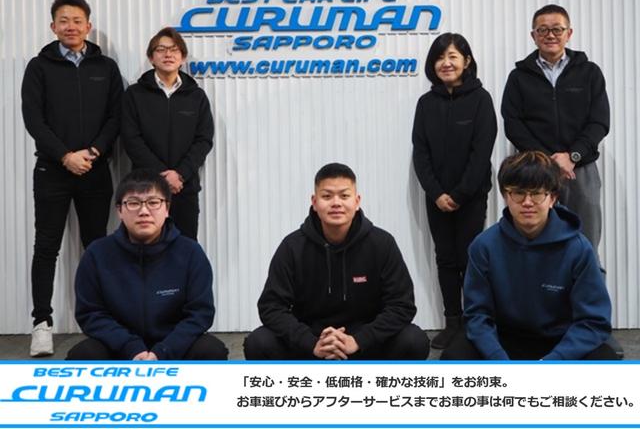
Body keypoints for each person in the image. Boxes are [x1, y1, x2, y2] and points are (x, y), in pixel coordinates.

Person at [21, 0, 123, 356]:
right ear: (53, 26)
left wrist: (92, 153)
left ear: (88, 26)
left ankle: (98, 321)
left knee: (96, 246)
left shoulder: (106, 67)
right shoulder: (39, 67)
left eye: (77, 21)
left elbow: (116, 117)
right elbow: (34, 119)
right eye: (63, 20)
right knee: (46, 246)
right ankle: (41, 324)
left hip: (95, 170)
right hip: (52, 170)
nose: (71, 26)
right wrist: (65, 156)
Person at [441, 151, 616, 360]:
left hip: (560, 342)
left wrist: (554, 361)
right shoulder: (484, 246)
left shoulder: (578, 248)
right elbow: (477, 316)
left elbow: (593, 321)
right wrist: (499, 360)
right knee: (454, 356)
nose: (527, 202)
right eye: (518, 193)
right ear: (506, 196)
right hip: (502, 341)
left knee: (605, 360)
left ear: (552, 198)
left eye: (537, 193)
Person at [244, 163, 429, 360]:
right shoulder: (292, 247)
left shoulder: (382, 244)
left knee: (414, 340)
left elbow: (402, 305)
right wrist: (311, 343)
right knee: (258, 342)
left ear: (357, 201)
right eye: (327, 196)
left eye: (344, 196)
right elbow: (271, 307)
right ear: (314, 202)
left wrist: (358, 341)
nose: (336, 203)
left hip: (365, 345)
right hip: (312, 346)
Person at [67, 169, 228, 360]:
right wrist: (130, 347)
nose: (144, 211)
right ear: (120, 210)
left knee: (211, 349)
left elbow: (200, 313)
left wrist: (164, 351)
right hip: (119, 348)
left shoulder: (190, 253)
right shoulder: (97, 254)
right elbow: (91, 314)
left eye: (153, 202)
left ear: (167, 208)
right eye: (134, 203)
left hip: (174, 348)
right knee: (83, 354)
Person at [411, 33, 497, 349]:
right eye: (439, 57)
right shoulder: (426, 104)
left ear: (467, 61)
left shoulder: (481, 99)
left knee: (470, 257)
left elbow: (482, 151)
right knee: (445, 259)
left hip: (470, 197)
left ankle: (474, 323)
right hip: (437, 198)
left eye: (452, 56)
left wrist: (460, 194)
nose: (445, 63)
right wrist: (436, 193)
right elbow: (420, 152)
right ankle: (452, 322)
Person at [501, 4, 610, 254]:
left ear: (569, 33)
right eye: (543, 30)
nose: (550, 35)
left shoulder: (589, 72)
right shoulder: (518, 77)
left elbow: (599, 122)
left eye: (557, 29)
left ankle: (586, 281)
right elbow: (513, 124)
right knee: (536, 243)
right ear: (533, 35)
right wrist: (548, 160)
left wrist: (572, 156)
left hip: (580, 169)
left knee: (586, 243)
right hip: (536, 171)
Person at [121, 27, 213, 240]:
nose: (168, 54)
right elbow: (131, 139)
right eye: (161, 49)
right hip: (145, 189)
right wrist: (161, 176)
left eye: (174, 49)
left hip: (184, 187)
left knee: (185, 246)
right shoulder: (134, 95)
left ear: (183, 57)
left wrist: (179, 174)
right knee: (145, 246)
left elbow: (204, 139)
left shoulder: (196, 96)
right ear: (151, 58)